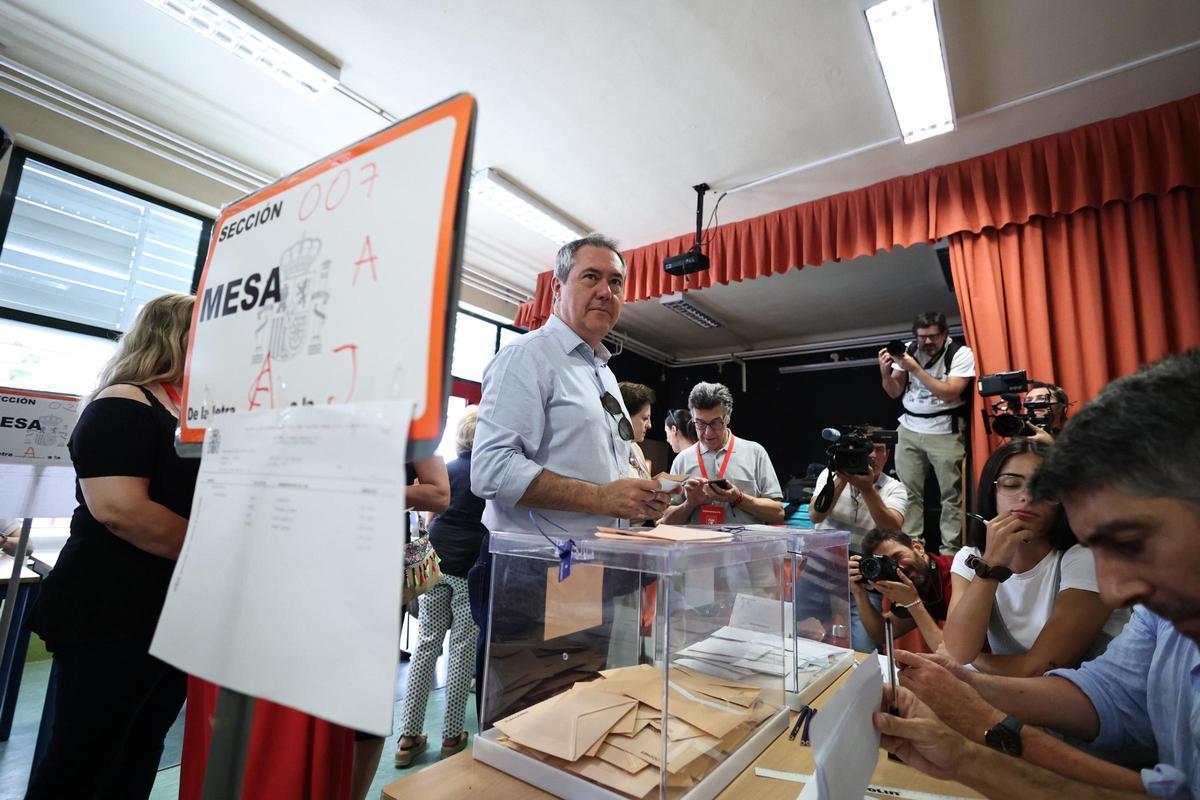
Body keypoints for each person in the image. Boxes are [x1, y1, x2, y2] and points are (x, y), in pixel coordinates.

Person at [875, 350, 1200, 800]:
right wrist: (967, 689)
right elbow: (1111, 694)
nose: (1114, 591)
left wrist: (982, 720)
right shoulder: (1162, 616)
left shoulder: (1076, 560)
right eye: (1010, 485)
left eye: (1131, 543)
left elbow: (1022, 664)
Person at [25, 293, 199, 800]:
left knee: (140, 747)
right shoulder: (124, 401)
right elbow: (121, 511)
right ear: (177, 334)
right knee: (83, 755)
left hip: (169, 607)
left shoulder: (186, 410)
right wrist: (214, 557)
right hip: (111, 606)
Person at [471, 234, 669, 534]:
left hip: (595, 561)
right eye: (591, 277)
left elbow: (605, 482)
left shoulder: (605, 374)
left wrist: (637, 499)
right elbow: (492, 470)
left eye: (616, 282)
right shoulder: (526, 356)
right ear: (557, 287)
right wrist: (600, 498)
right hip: (534, 565)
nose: (606, 291)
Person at [943, 438, 1126, 676]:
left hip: (1090, 703)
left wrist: (977, 663)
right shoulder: (971, 558)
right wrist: (991, 565)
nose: (1027, 497)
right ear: (992, 491)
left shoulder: (1085, 558)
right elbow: (959, 650)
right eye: (1011, 484)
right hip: (1018, 698)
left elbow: (1039, 668)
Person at [351, 455, 450, 797]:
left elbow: (439, 494)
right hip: (321, 565)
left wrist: (364, 490)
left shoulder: (409, 420)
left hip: (376, 569)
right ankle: (429, 734)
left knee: (367, 703)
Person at [395, 409, 487, 768]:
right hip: (470, 566)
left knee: (426, 644)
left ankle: (408, 737)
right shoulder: (487, 473)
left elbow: (433, 518)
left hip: (436, 563)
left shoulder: (446, 467)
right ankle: (451, 735)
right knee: (462, 649)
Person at [879, 311, 975, 554]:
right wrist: (885, 371)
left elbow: (950, 393)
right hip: (909, 428)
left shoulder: (960, 353)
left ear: (944, 334)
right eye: (922, 338)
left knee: (951, 495)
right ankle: (913, 547)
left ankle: (951, 551)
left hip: (945, 430)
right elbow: (893, 391)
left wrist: (916, 369)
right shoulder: (910, 349)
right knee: (908, 492)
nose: (927, 343)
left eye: (933, 337)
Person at [807, 433, 907, 651]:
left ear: (887, 454)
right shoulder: (830, 474)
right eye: (865, 450)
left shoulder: (894, 488)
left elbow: (891, 529)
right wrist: (843, 476)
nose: (872, 455)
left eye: (879, 449)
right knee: (792, 631)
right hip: (819, 569)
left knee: (864, 647)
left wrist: (867, 488)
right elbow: (815, 515)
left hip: (863, 576)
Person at [661, 381, 784, 526]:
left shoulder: (755, 453)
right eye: (699, 423)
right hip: (698, 547)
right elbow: (665, 521)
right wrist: (690, 503)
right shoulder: (682, 460)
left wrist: (738, 498)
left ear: (727, 418)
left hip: (743, 547)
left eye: (715, 423)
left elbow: (778, 514)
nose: (708, 432)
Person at [850, 528, 952, 653]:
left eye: (898, 557)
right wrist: (860, 594)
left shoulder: (952, 575)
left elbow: (953, 654)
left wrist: (913, 603)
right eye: (886, 564)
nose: (898, 567)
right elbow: (882, 634)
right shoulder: (911, 582)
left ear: (918, 548)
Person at [618, 381, 655, 480]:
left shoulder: (636, 448)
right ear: (626, 416)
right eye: (644, 418)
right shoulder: (606, 451)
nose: (649, 425)